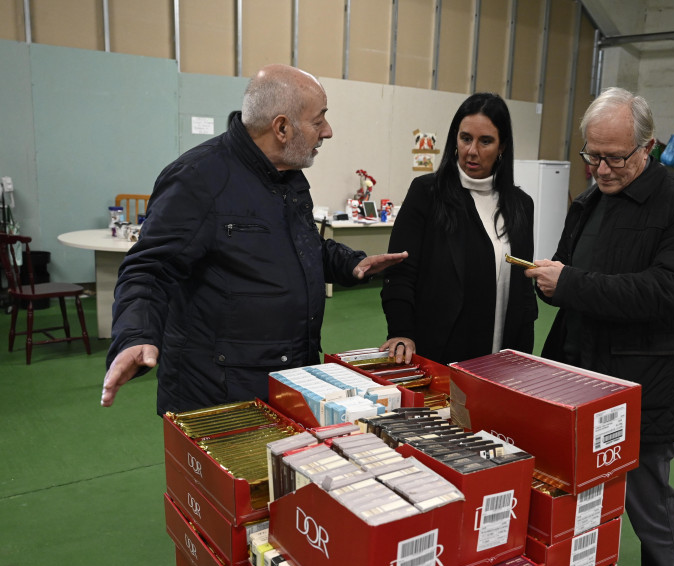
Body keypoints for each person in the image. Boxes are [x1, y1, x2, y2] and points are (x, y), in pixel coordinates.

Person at [101, 64, 407, 415]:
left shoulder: (288, 177)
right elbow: (149, 269)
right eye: (319, 120)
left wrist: (351, 263)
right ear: (281, 127)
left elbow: (301, 247)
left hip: (289, 375)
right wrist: (135, 335)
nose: (328, 132)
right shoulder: (199, 179)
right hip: (219, 392)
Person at [525, 87, 674, 566]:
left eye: (615, 158)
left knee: (648, 503)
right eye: (592, 156)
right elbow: (569, 276)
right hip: (576, 373)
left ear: (647, 148)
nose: (602, 170)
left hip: (643, 383)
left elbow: (670, 290)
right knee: (567, 496)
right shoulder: (588, 202)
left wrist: (572, 284)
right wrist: (549, 281)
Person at [380, 92, 537, 365]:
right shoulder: (427, 193)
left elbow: (524, 290)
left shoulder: (521, 205)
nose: (472, 151)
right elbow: (400, 270)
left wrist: (524, 354)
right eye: (466, 138)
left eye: (485, 141)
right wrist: (401, 331)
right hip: (442, 350)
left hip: (505, 355)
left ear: (502, 147)